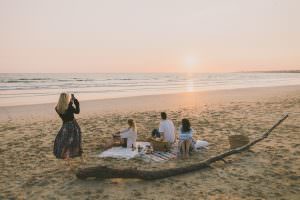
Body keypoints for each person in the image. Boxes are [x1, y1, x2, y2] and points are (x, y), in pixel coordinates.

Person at [53, 93, 83, 167]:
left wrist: (71, 102)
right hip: (73, 125)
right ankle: (74, 154)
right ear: (66, 99)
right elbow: (77, 111)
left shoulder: (57, 108)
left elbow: (66, 111)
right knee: (75, 140)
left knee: (65, 141)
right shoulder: (69, 107)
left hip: (65, 126)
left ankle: (65, 155)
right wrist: (76, 102)